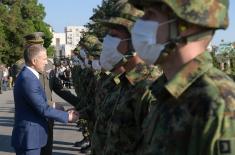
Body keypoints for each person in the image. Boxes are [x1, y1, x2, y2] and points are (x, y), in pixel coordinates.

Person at [129, 0, 235, 154]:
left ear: (184, 25)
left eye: (150, 14)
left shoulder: (218, 103)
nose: (139, 23)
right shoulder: (166, 92)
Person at [11, 44, 79, 155]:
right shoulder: (28, 79)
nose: (46, 62)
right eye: (44, 59)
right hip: (29, 139)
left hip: (34, 136)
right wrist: (68, 116)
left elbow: (39, 104)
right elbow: (43, 108)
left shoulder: (30, 76)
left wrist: (62, 110)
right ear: (34, 61)